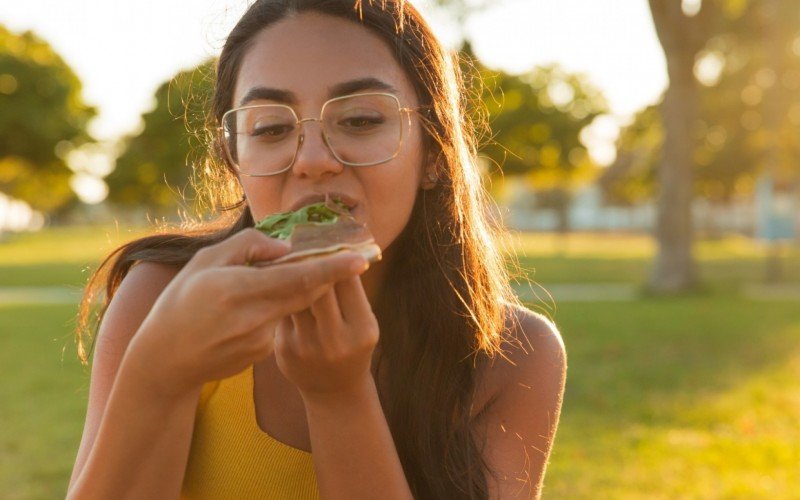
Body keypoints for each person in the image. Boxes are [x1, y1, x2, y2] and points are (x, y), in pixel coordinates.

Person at [67, 0, 567, 498]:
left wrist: (339, 396)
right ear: (233, 159)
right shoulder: (159, 298)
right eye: (270, 128)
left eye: (362, 120)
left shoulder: (512, 356)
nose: (312, 160)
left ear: (434, 150)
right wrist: (159, 370)